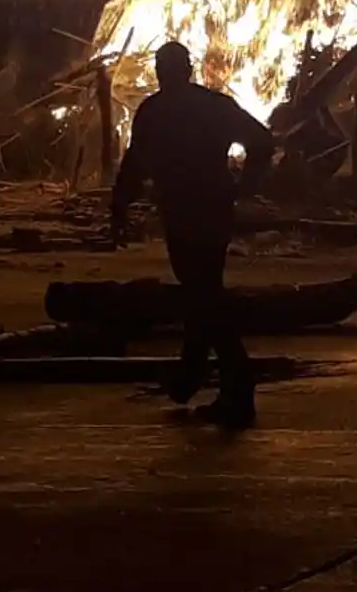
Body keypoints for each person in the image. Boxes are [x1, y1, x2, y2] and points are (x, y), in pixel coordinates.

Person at [111, 41, 276, 428]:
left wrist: (119, 207)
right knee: (203, 289)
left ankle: (237, 385)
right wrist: (245, 183)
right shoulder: (214, 106)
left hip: (183, 211)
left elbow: (135, 164)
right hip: (214, 209)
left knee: (203, 294)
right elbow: (263, 141)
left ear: (161, 71)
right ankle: (191, 376)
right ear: (189, 68)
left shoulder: (154, 111)